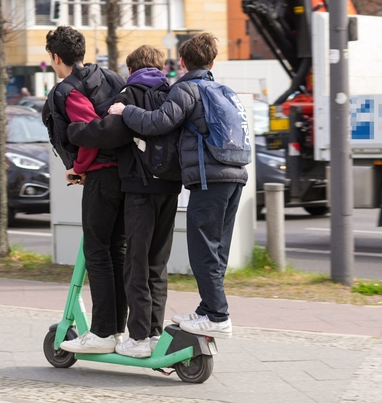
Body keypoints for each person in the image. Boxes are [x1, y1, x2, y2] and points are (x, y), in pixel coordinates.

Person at [108, 33, 248, 339]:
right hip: (236, 175)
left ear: (182, 62)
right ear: (213, 62)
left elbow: (158, 122)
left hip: (209, 179)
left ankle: (218, 315)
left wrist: (125, 111)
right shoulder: (222, 89)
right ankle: (207, 310)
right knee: (217, 249)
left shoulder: (187, 89)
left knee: (202, 249)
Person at [68, 45, 182, 358]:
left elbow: (109, 132)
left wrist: (76, 130)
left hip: (139, 188)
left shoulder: (130, 94)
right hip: (170, 188)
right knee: (157, 263)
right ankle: (155, 332)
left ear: (131, 69)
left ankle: (138, 338)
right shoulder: (171, 93)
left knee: (135, 263)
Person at [44, 26, 127, 354]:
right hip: (127, 175)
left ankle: (103, 331)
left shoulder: (68, 89)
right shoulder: (111, 77)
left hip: (101, 177)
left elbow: (90, 131)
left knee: (97, 251)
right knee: (116, 251)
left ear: (56, 57)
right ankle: (118, 329)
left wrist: (77, 169)